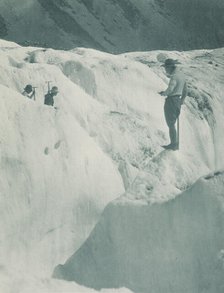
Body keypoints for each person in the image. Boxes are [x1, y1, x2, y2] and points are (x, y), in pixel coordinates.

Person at [159, 58, 187, 150]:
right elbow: (185, 90)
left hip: (171, 100)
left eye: (166, 68)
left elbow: (171, 89)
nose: (165, 70)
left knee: (170, 123)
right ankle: (175, 143)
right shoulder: (182, 75)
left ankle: (173, 144)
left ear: (170, 67)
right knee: (173, 122)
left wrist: (164, 93)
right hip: (178, 100)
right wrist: (182, 100)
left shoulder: (174, 76)